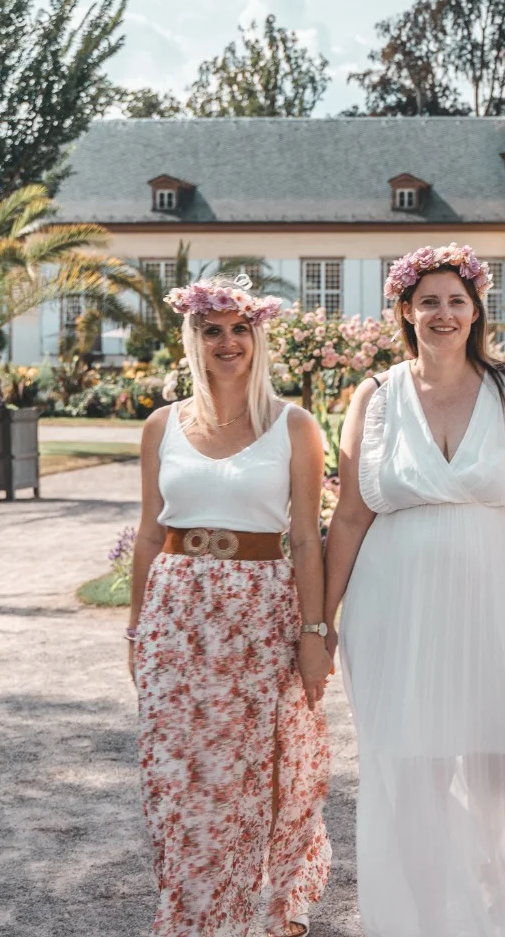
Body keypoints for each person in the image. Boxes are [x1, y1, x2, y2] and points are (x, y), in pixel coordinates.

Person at [321, 243, 505, 936]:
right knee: (411, 765)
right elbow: (349, 516)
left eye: (456, 300)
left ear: (476, 308)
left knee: (500, 763)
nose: (443, 313)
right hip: (392, 608)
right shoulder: (375, 396)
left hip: (496, 602)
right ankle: (425, 918)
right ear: (404, 309)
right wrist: (322, 622)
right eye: (428, 301)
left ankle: (501, 912)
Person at [126, 274, 332, 937]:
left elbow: (306, 536)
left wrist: (313, 631)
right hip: (177, 615)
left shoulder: (293, 426)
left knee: (264, 771)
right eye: (212, 330)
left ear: (258, 337)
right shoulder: (162, 425)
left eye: (240, 329)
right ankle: (187, 915)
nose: (227, 342)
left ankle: (270, 912)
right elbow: (151, 532)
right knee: (178, 776)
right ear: (193, 339)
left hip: (261, 615)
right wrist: (136, 629)